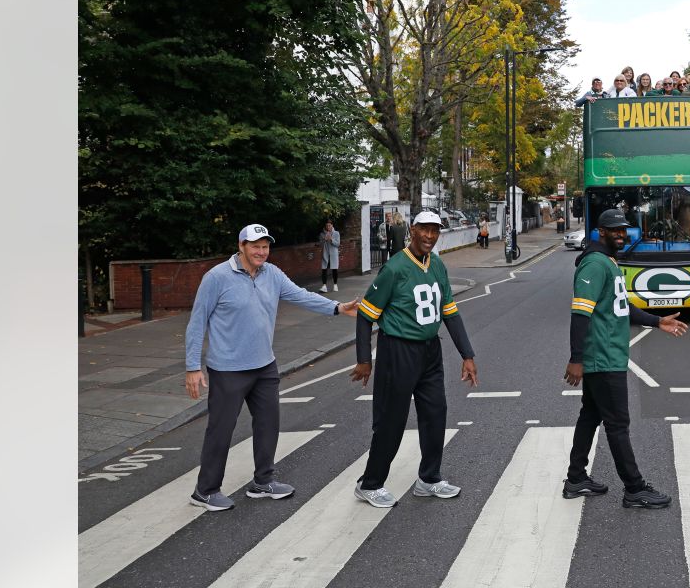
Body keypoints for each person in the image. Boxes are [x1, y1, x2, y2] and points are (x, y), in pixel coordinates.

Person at [185, 224, 360, 511]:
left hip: (265, 366)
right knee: (221, 429)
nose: (261, 252)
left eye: (265, 246)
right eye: (255, 246)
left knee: (268, 423)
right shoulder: (217, 277)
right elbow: (197, 322)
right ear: (241, 246)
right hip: (228, 368)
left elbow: (301, 295)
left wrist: (337, 307)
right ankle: (205, 490)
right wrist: (193, 367)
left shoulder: (272, 274)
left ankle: (263, 482)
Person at [350, 211, 479, 508]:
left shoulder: (438, 266)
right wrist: (364, 360)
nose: (430, 237)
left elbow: (450, 313)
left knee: (436, 414)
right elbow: (365, 315)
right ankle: (370, 483)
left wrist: (467, 355)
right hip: (398, 350)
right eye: (424, 230)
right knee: (391, 420)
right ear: (412, 229)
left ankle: (429, 479)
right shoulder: (394, 268)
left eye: (435, 231)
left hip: (429, 351)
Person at [563, 208, 688, 509]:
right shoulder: (594, 264)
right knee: (618, 424)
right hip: (603, 356)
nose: (621, 234)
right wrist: (576, 358)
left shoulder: (609, 261)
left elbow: (623, 307)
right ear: (600, 232)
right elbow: (580, 313)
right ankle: (634, 488)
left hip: (609, 355)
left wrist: (658, 321)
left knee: (590, 416)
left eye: (623, 229)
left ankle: (576, 477)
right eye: (614, 230)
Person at [319, 220, 340, 292]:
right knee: (324, 270)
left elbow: (338, 244)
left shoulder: (336, 233)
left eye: (329, 225)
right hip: (325, 254)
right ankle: (324, 286)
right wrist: (324, 239)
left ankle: (335, 285)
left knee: (334, 270)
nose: (328, 227)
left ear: (332, 225)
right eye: (327, 226)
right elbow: (320, 244)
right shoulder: (322, 234)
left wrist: (331, 239)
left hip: (333, 255)